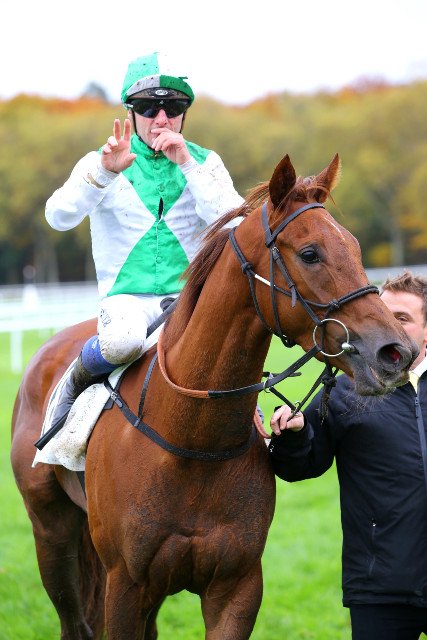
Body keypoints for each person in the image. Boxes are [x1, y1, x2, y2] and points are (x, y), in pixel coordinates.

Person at [44, 51, 243, 434]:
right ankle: (72, 385)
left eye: (173, 107)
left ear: (185, 113)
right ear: (131, 112)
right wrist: (104, 173)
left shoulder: (205, 162)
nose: (162, 118)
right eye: (149, 107)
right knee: (122, 342)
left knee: (231, 345)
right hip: (126, 302)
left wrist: (187, 164)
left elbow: (237, 224)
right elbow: (57, 216)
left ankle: (253, 425)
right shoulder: (101, 160)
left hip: (189, 299)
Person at [268, 271, 427, 640]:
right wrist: (293, 435)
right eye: (383, 315)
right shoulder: (345, 390)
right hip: (379, 589)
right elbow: (299, 466)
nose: (390, 327)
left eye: (402, 318)